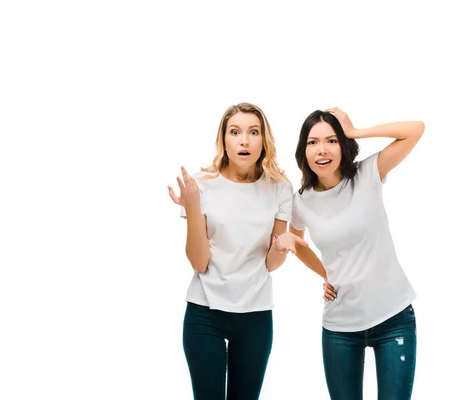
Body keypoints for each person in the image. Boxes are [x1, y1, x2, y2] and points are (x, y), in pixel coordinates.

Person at [167, 102, 305, 400]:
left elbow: (271, 264)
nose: (244, 140)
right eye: (235, 132)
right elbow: (199, 261)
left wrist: (282, 246)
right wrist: (192, 208)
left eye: (253, 132)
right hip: (205, 313)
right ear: (224, 140)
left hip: (255, 314)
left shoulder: (280, 188)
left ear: (263, 140)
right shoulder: (201, 186)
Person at [289, 107, 425, 399]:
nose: (322, 150)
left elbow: (416, 128)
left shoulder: (367, 174)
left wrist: (355, 131)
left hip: (393, 318)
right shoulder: (301, 202)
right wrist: (328, 275)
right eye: (313, 142)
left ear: (343, 145)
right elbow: (297, 243)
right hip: (340, 327)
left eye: (332, 140)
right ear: (304, 150)